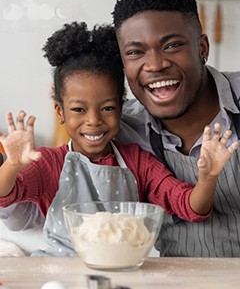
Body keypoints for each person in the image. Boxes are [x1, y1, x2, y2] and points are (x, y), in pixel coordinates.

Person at [0, 22, 237, 257]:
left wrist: (208, 177)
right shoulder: (50, 163)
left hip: (124, 272)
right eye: (79, 110)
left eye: (107, 108)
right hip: (62, 272)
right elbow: (5, 196)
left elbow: (191, 207)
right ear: (60, 111)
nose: (94, 120)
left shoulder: (138, 163)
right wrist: (12, 165)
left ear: (122, 108)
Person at [112, 0, 240, 257]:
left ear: (202, 49)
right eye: (135, 52)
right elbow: (28, 215)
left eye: (171, 45)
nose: (156, 65)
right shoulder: (121, 131)